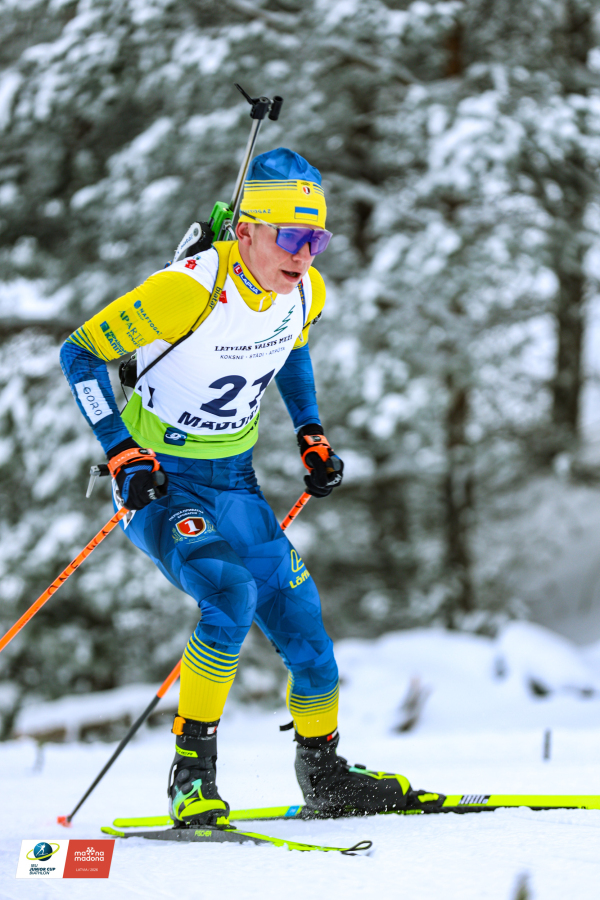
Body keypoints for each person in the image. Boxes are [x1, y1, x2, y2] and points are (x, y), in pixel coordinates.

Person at [60, 147, 433, 825]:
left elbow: (291, 347)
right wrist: (119, 451)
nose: (305, 255)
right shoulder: (187, 291)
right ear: (248, 231)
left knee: (306, 629)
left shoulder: (306, 292)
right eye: (291, 237)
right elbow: (78, 353)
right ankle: (191, 777)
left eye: (316, 240)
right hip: (161, 481)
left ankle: (325, 775)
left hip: (235, 481)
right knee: (229, 595)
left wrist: (311, 434)